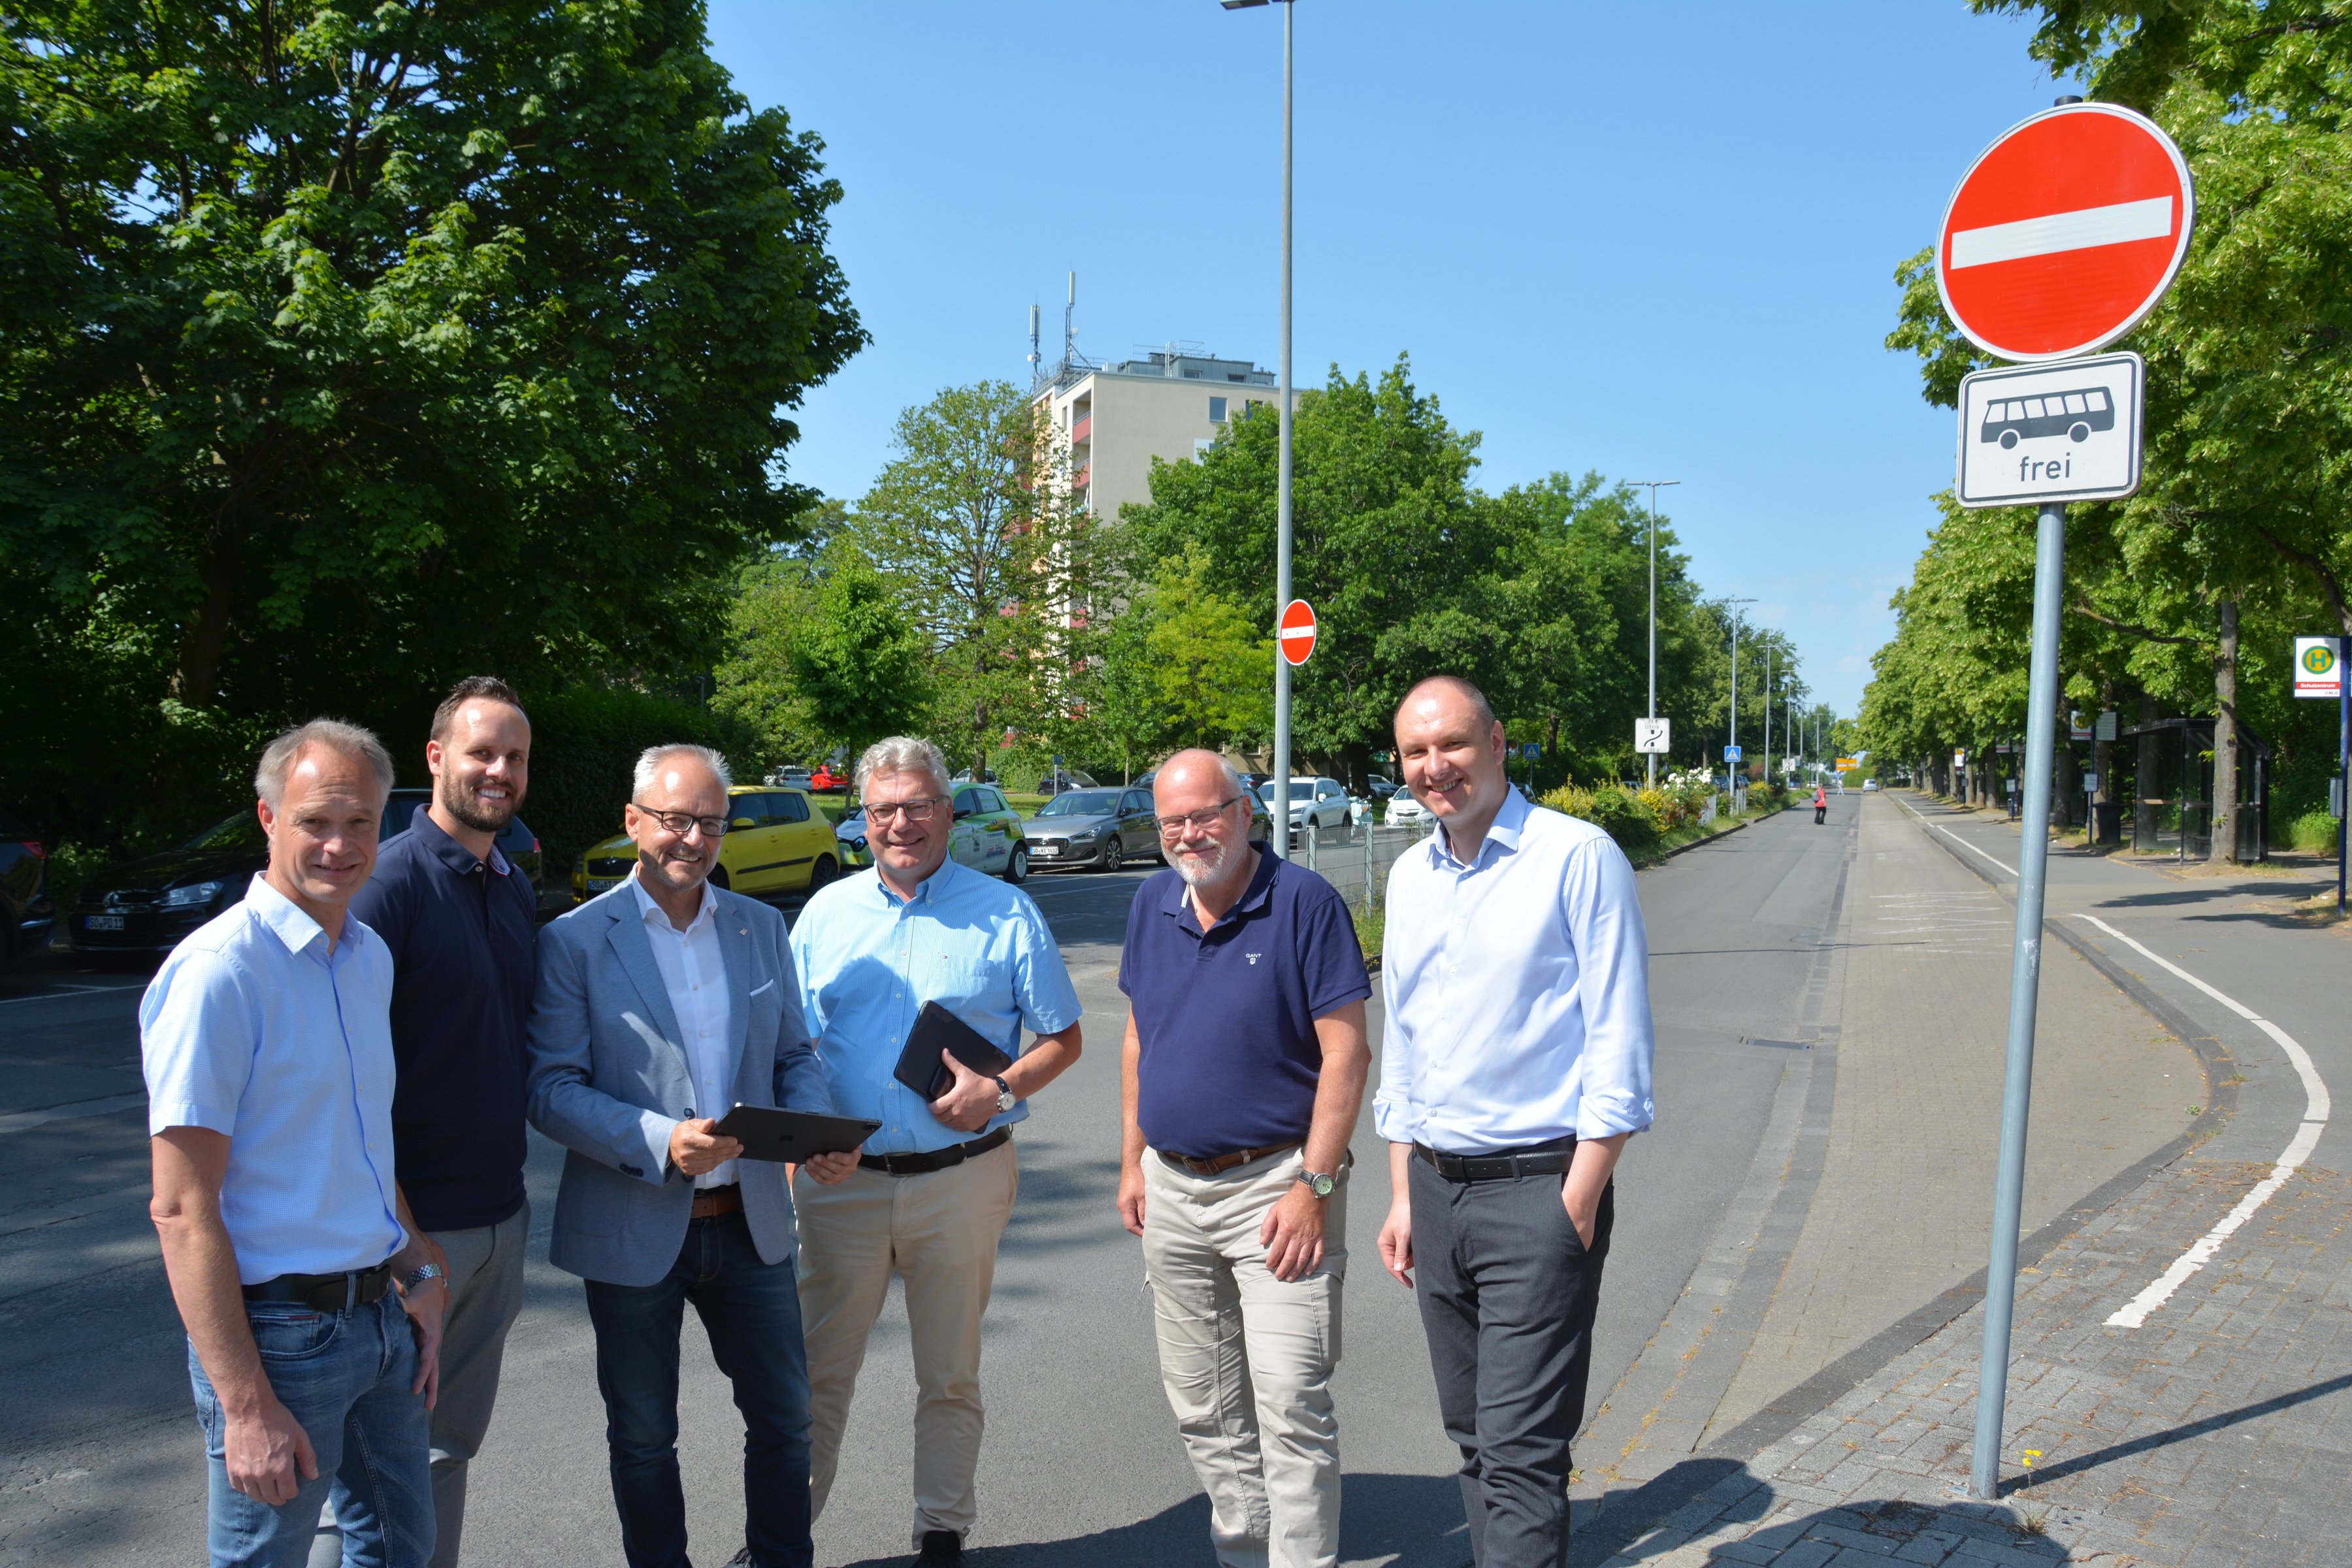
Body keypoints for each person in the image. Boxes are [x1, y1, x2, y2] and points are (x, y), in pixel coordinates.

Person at [527, 744, 855, 1568]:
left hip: (750, 1225)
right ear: (634, 822)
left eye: (712, 822)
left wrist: (814, 1128)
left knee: (786, 1422)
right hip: (632, 1224)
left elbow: (795, 1055)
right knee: (644, 1440)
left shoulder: (758, 927)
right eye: (676, 820)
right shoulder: (575, 942)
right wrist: (659, 1140)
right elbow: (550, 1089)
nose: (694, 839)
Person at [142, 719, 447, 1568]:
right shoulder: (219, 974)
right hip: (279, 1340)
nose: (339, 845)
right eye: (316, 821)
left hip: (381, 1321)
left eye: (360, 822)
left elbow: (357, 1142)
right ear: (269, 817)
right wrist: (244, 1405)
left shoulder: (367, 956)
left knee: (400, 1551)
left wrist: (419, 1266)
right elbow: (181, 1208)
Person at [1374, 676, 1655, 1568]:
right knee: (1472, 1436)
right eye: (1416, 752)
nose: (1435, 766)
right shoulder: (1410, 876)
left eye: (1452, 744)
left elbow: (1618, 1039)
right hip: (1435, 1190)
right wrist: (1402, 1192)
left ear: (1496, 743)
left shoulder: (1577, 857)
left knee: (1523, 1452)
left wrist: (1578, 1197)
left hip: (1538, 1190)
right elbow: (1405, 1041)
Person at [789, 736, 1084, 1567]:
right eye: (883, 809)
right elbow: (790, 1048)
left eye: (918, 806)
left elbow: (1063, 1038)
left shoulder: (1006, 911)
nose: (901, 824)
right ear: (861, 820)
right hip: (842, 1183)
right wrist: (801, 1142)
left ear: (948, 813)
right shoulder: (825, 915)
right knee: (814, 1374)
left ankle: (942, 1532)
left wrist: (1003, 1091)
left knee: (949, 1373)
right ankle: (784, 1536)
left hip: (962, 1180)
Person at [1117, 749, 1371, 1568]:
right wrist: (1132, 1162)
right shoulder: (1152, 902)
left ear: (1246, 811)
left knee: (1291, 1403)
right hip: (1173, 1187)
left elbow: (1347, 1056)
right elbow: (1138, 1039)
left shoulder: (1304, 903)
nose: (1190, 833)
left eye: (1206, 814)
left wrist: (1313, 1187)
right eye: (1173, 821)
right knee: (1205, 1407)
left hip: (1278, 1188)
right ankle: (1244, 1550)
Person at [312, 678, 534, 1568]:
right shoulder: (387, 885)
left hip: (501, 1219)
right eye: (482, 752)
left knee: (444, 1455)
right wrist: (405, 1246)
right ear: (437, 757)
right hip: (407, 1236)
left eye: (515, 757)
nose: (499, 771)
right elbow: (339, 1082)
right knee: (368, 1481)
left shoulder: (510, 884)